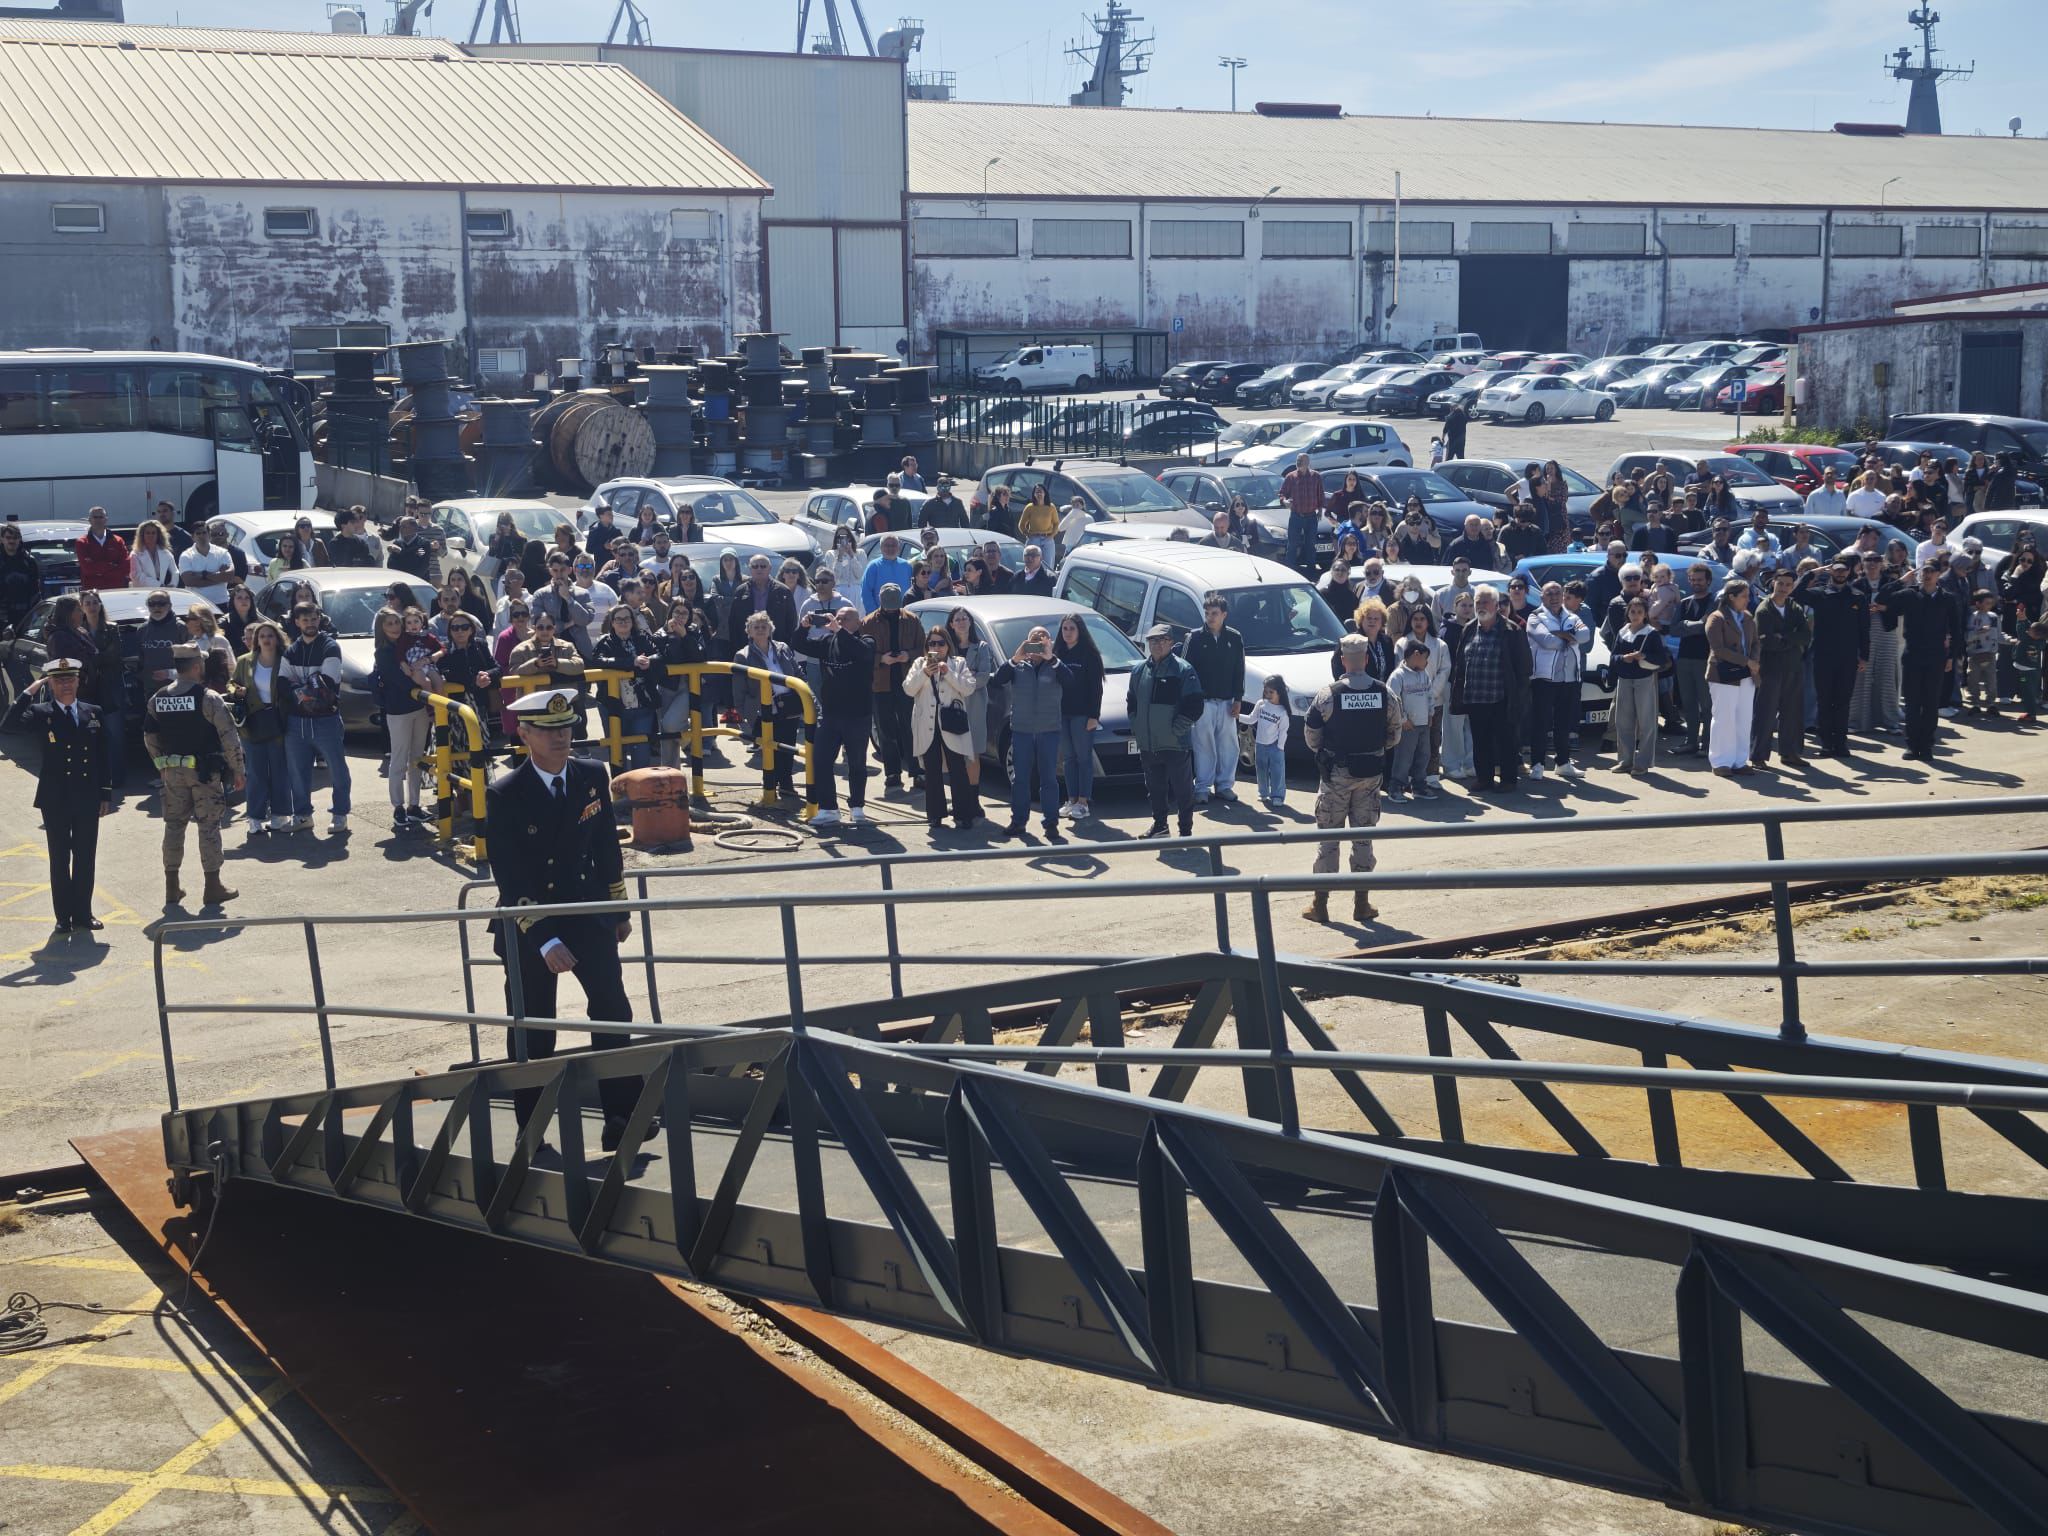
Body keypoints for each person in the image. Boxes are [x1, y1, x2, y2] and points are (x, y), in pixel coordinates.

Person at [483, 688, 642, 1155]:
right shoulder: (506, 792)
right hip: (533, 921)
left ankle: (621, 1118)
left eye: (567, 728)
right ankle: (530, 1129)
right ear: (525, 733)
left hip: (587, 911)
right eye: (549, 730)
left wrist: (617, 910)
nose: (561, 738)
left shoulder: (592, 775)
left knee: (613, 1013)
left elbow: (606, 848)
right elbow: (509, 873)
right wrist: (544, 936)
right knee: (534, 1028)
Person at [1301, 633, 1393, 924]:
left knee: (1329, 839)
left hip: (1336, 776)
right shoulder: (1384, 692)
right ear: (1366, 659)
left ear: (1343, 660)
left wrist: (1329, 753)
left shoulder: (1328, 694)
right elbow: (1395, 734)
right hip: (1370, 776)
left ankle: (1321, 904)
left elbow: (1311, 734)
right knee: (1363, 838)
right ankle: (1361, 904)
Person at [145, 641, 244, 907]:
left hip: (173, 773)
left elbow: (150, 737)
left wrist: (162, 764)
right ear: (198, 666)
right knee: (208, 825)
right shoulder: (208, 697)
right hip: (204, 772)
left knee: (174, 826)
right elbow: (229, 737)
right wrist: (238, 769)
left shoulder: (158, 698)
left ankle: (172, 887)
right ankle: (213, 886)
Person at [19, 658, 113, 934]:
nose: (66, 685)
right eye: (59, 680)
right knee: (60, 858)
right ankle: (63, 917)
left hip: (86, 796)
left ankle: (83, 913)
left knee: (85, 856)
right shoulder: (41, 713)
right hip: (55, 798)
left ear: (78, 681)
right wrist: (30, 691)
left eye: (70, 679)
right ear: (51, 683)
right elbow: (9, 723)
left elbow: (103, 755)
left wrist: (105, 793)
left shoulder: (92, 712)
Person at [791, 604, 876, 827]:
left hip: (858, 715)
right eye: (837, 617)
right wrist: (803, 627)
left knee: (857, 763)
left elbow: (860, 652)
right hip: (830, 715)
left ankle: (857, 807)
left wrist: (840, 631)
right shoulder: (827, 642)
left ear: (857, 623)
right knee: (820, 760)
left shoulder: (867, 642)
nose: (839, 621)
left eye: (845, 618)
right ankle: (829, 808)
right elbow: (799, 644)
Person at [989, 626, 1068, 842]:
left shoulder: (1055, 665)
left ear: (1050, 642)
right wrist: (1016, 657)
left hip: (1049, 730)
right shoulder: (1018, 666)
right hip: (1022, 731)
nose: (1037, 644)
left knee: (1049, 780)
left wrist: (1051, 657)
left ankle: (1051, 823)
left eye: (1042, 640)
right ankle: (1018, 821)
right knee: (1020, 779)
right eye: (1034, 640)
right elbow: (997, 680)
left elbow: (1070, 681)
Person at [279, 600, 351, 833]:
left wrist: (298, 689)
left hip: (326, 720)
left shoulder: (330, 646)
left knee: (337, 770)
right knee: (297, 772)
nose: (310, 623)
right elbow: (281, 684)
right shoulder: (291, 650)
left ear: (319, 619)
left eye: (313, 618)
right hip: (296, 723)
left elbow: (327, 686)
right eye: (305, 619)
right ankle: (302, 815)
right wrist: (307, 689)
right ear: (297, 622)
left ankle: (340, 814)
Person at [1450, 586, 1527, 792]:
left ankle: (1509, 779)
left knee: (1505, 741)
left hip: (1502, 698)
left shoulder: (1512, 630)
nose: (1480, 606)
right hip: (1475, 697)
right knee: (1481, 741)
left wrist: (1519, 697)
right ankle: (1484, 778)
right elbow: (1460, 662)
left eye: (1485, 602)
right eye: (1478, 602)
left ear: (1495, 604)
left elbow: (1523, 667)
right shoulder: (1469, 628)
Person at [1128, 623, 1200, 838]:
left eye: (1162, 641)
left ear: (1171, 643)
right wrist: (1137, 726)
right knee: (1155, 789)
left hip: (1175, 743)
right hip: (1149, 743)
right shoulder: (1139, 670)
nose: (1157, 645)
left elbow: (1195, 705)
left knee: (1183, 790)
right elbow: (1132, 702)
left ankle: (1185, 830)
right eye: (1152, 641)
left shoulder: (1183, 670)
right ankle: (1160, 826)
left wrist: (1177, 729)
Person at [903, 624, 978, 830]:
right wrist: (925, 673)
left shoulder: (958, 663)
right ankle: (935, 814)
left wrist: (948, 673)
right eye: (932, 643)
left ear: (948, 645)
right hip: (927, 724)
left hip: (951, 725)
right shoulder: (920, 664)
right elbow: (908, 689)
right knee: (932, 770)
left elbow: (969, 687)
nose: (936, 648)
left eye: (941, 643)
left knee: (958, 769)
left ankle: (963, 814)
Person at [1795, 557, 1869, 757]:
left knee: (1843, 701)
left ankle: (1841, 743)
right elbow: (1796, 593)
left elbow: (1864, 628)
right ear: (1831, 572)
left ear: (1848, 573)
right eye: (1836, 571)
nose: (1840, 574)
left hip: (1847, 658)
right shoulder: (1820, 594)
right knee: (1825, 700)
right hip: (1823, 656)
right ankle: (1827, 744)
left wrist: (1864, 656)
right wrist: (1813, 573)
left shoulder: (1857, 596)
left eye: (1843, 571)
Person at [228, 619, 292, 836]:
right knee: (256, 773)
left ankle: (279, 815)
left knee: (279, 771)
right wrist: (237, 690)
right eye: (262, 636)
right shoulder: (245, 661)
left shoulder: (285, 660)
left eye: (270, 635)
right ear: (256, 640)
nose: (266, 639)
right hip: (252, 723)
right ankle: (254, 818)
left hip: (278, 721)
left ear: (277, 638)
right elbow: (232, 683)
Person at [1182, 591, 1246, 804]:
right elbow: (1187, 671)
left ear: (1224, 615)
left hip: (1227, 701)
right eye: (1207, 613)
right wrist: (1191, 700)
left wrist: (1238, 698)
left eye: (1214, 613)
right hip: (1204, 702)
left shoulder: (1235, 638)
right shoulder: (1195, 638)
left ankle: (1225, 785)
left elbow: (1239, 670)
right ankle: (1202, 787)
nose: (1210, 617)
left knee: (1229, 745)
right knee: (1203, 745)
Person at [1887, 564, 1954, 761]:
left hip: (1936, 656)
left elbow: (1956, 628)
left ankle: (1926, 745)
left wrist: (1952, 655)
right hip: (1913, 655)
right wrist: (1900, 581)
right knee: (1912, 702)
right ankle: (1912, 745)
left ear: (1938, 574)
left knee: (1931, 702)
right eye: (1924, 571)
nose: (1927, 575)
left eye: (1932, 571)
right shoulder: (1910, 595)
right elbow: (1884, 599)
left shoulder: (1946, 598)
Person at [1750, 566, 1812, 771]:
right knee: (1765, 713)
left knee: (1792, 712)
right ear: (1773, 583)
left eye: (1788, 584)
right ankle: (1758, 755)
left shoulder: (1794, 607)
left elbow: (1805, 635)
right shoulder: (1764, 609)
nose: (1784, 588)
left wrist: (1784, 637)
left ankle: (1790, 753)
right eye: (1781, 583)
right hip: (1770, 669)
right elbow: (1766, 641)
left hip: (1793, 668)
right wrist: (1791, 638)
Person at [1525, 581, 1587, 781]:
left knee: (1564, 723)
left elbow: (1585, 635)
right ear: (1541, 597)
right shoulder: (1535, 616)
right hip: (1544, 678)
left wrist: (1562, 635)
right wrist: (1569, 638)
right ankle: (1537, 764)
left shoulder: (1573, 616)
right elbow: (1546, 640)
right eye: (1549, 593)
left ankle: (1563, 763)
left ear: (1562, 596)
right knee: (1541, 723)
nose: (1553, 597)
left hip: (1569, 678)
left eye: (1557, 593)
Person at [863, 585, 921, 792]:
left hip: (907, 682)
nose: (891, 610)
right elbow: (862, 654)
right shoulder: (868, 623)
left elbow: (923, 648)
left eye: (894, 607)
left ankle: (916, 771)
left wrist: (908, 655)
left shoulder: (912, 620)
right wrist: (881, 659)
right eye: (888, 607)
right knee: (886, 731)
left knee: (910, 728)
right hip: (881, 684)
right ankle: (892, 773)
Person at [1604, 595, 1668, 775]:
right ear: (1628, 613)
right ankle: (1625, 760)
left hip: (1644, 680)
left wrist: (1644, 656)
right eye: (1633, 611)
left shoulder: (1651, 633)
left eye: (1640, 612)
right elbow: (1614, 657)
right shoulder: (1623, 632)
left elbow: (1662, 659)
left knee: (1646, 721)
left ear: (1645, 614)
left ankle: (1643, 762)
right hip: (1624, 680)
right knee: (1623, 721)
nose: (1636, 615)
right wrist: (1624, 658)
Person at [593, 602, 662, 768]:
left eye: (626, 618)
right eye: (618, 619)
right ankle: (620, 793)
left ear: (633, 621)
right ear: (612, 622)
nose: (623, 622)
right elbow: (598, 661)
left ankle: (641, 792)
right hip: (614, 706)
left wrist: (649, 661)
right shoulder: (604, 642)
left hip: (642, 705)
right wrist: (632, 662)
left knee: (641, 753)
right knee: (618, 753)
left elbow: (659, 655)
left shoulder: (643, 638)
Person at [1051, 614, 1105, 822]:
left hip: (1083, 715)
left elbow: (1096, 689)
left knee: (1084, 758)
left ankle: (1083, 802)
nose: (1068, 632)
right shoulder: (1058, 653)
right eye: (1065, 628)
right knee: (1069, 758)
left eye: (1072, 628)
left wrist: (1094, 715)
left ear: (1079, 630)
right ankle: (1071, 799)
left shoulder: (1089, 654)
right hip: (1062, 714)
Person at [1705, 578, 1759, 777]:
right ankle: (1720, 761)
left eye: (1748, 596)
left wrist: (1753, 661)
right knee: (1724, 718)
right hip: (1724, 675)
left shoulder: (1747, 617)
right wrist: (1747, 661)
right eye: (1743, 596)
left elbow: (1755, 643)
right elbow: (1718, 649)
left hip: (1747, 675)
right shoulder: (1717, 618)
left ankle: (1739, 760)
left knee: (1743, 718)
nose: (1747, 599)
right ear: (1731, 597)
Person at [945, 606, 998, 800]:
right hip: (952, 706)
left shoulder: (981, 647)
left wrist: (957, 679)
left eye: (964, 618)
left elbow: (983, 677)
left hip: (975, 707)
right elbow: (942, 678)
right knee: (955, 755)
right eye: (957, 619)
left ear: (970, 622)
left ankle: (973, 797)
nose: (961, 622)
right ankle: (959, 797)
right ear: (951, 624)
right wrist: (968, 676)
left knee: (973, 754)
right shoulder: (946, 648)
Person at [1671, 563, 1717, 755]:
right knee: (1688, 703)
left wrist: (1686, 626)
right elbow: (1674, 629)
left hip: (1705, 659)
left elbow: (1710, 628)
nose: (1696, 583)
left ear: (1708, 581)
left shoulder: (1715, 601)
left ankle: (1707, 744)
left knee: (1706, 705)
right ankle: (1691, 741)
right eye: (1693, 580)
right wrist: (1698, 624)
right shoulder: (1684, 603)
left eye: (1700, 580)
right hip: (1684, 659)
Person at [1383, 640, 1436, 801]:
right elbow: (1393, 700)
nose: (1427, 663)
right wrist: (1403, 719)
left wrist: (1430, 713)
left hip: (1423, 724)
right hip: (1407, 726)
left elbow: (1429, 695)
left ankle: (1419, 786)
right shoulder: (1398, 676)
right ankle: (1396, 787)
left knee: (1424, 755)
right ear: (1416, 655)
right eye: (1425, 658)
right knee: (1404, 758)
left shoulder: (1424, 674)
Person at [1251, 675, 1292, 810]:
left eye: (1271, 692)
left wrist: (1280, 747)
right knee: (1261, 769)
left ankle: (1278, 796)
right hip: (1260, 743)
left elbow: (1283, 731)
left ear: (1279, 692)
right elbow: (1252, 719)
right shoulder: (1261, 704)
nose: (1267, 695)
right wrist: (1237, 716)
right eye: (1266, 691)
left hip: (1275, 746)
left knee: (1277, 771)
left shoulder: (1282, 712)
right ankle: (1263, 792)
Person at [1280, 453, 1325, 574]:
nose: (1299, 462)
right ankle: (1290, 571)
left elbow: (1320, 494)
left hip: (1311, 516)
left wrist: (1320, 509)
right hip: (1296, 515)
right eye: (1298, 460)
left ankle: (1311, 572)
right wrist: (1284, 501)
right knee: (1292, 545)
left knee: (1310, 545)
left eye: (1302, 460)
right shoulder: (1290, 477)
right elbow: (1282, 493)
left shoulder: (1316, 476)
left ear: (1308, 462)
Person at [1964, 589, 2003, 715]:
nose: (1989, 606)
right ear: (1978, 603)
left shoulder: (1994, 617)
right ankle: (1975, 703)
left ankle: (1991, 703)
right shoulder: (1971, 617)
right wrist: (1977, 633)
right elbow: (1967, 636)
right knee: (1973, 679)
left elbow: (1999, 634)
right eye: (1986, 603)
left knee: (1991, 679)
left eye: (1991, 603)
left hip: (1990, 653)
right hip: (1975, 654)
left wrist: (2010, 640)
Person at [73, 507, 129, 592]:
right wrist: (112, 565)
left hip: (116, 589)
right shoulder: (82, 542)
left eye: (101, 517)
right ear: (89, 520)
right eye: (95, 517)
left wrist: (97, 567)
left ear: (106, 519)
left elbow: (125, 567)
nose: (98, 520)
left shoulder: (118, 541)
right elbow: (87, 569)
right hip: (92, 593)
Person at [860, 534, 914, 615]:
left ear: (898, 548)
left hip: (904, 614)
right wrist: (874, 613)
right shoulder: (873, 566)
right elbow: (866, 592)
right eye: (887, 545)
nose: (890, 548)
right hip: (881, 615)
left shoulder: (906, 566)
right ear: (881, 548)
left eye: (893, 545)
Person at [1016, 484, 1061, 569]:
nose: (1039, 494)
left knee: (1048, 566)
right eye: (1037, 492)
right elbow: (1021, 524)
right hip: (1034, 539)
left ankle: (1047, 582)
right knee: (1031, 565)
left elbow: (1056, 523)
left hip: (1047, 539)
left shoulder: (1051, 507)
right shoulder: (1030, 507)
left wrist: (1052, 535)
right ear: (1034, 494)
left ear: (1045, 493)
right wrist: (1027, 534)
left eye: (1041, 491)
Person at [129, 518, 179, 590]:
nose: (151, 535)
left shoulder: (166, 552)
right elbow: (137, 576)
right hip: (141, 591)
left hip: (161, 591)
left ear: (158, 535)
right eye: (147, 533)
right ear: (142, 535)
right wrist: (159, 585)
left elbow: (175, 571)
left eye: (153, 533)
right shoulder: (135, 554)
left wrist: (172, 585)